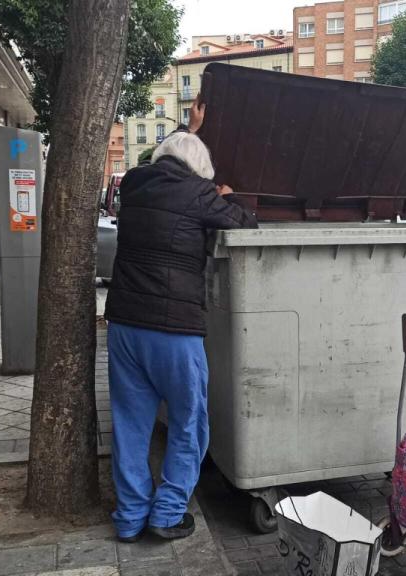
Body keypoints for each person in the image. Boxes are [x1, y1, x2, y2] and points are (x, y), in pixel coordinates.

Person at [104, 97, 257, 543]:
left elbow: (171, 159)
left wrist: (191, 130)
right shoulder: (200, 193)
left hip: (125, 326)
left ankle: (130, 516)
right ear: (199, 171)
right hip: (174, 331)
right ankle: (168, 514)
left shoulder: (134, 184)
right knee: (189, 422)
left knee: (130, 424)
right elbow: (245, 223)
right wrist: (227, 197)